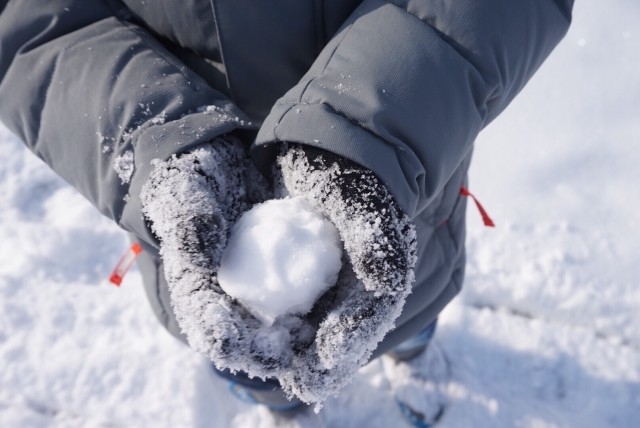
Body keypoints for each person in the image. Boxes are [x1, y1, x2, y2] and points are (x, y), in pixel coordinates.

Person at [0, 0, 573, 425]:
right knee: (251, 350)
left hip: (402, 165)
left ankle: (413, 352)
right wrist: (163, 141)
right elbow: (27, 23)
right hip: (201, 208)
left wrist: (365, 131)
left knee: (406, 296)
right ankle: (284, 408)